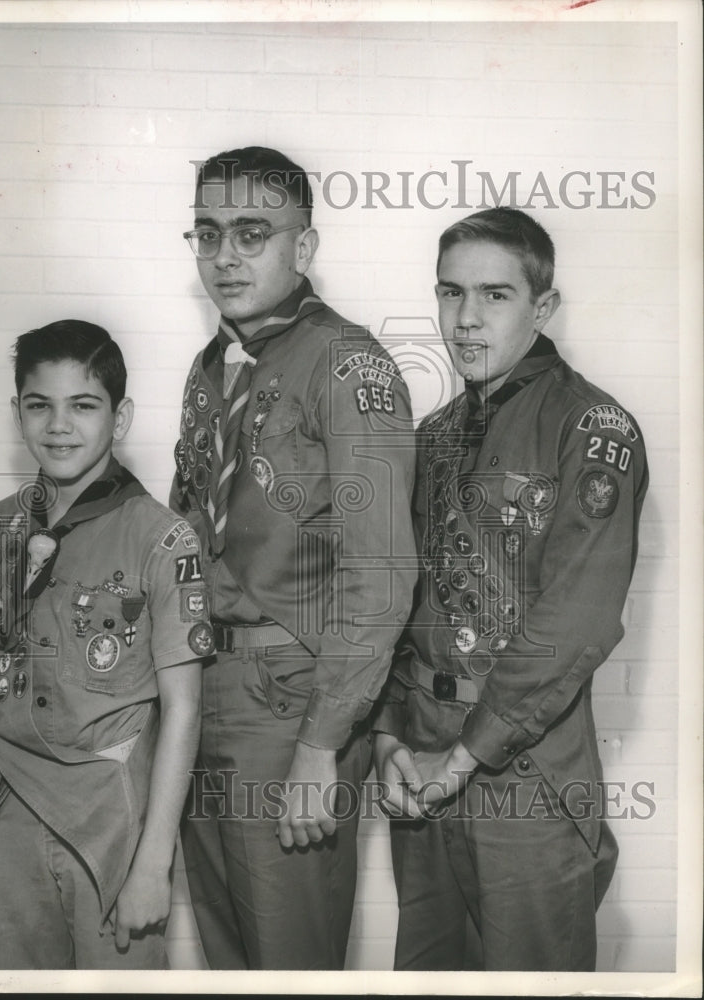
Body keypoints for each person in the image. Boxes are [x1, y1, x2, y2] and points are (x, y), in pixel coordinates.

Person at [373, 207, 649, 971]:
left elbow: (577, 621)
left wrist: (462, 758)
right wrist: (390, 734)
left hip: (522, 768)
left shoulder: (592, 429)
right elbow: (401, 600)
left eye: (494, 295)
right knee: (427, 978)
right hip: (419, 762)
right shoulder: (431, 437)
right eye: (449, 292)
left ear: (543, 306)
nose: (465, 319)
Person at [170, 146, 417, 970]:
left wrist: (322, 745)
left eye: (252, 232)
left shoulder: (346, 365)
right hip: (203, 696)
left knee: (290, 959)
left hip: (290, 710)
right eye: (207, 234)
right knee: (227, 955)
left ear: (303, 249)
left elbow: (382, 576)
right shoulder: (213, 370)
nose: (225, 255)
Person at [0, 320, 211, 969]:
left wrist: (154, 861)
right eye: (40, 405)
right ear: (17, 412)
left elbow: (184, 708)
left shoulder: (162, 539)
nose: (59, 425)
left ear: (119, 419)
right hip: (7, 816)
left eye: (83, 405)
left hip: (109, 826)